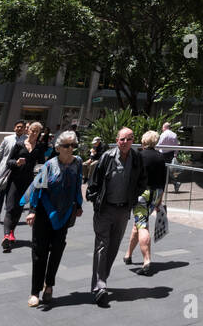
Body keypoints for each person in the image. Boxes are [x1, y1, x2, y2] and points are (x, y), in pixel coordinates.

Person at [24, 131, 83, 308]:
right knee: (39, 252)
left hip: (64, 213)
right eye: (66, 145)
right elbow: (37, 189)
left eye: (73, 145)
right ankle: (35, 291)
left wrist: (78, 205)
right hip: (44, 212)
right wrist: (32, 211)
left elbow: (78, 184)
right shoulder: (49, 164)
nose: (70, 149)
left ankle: (49, 285)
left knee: (57, 250)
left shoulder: (77, 163)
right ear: (58, 148)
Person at [86, 127, 143, 305]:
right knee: (102, 246)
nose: (125, 142)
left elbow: (142, 180)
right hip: (105, 209)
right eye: (122, 139)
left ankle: (102, 278)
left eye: (128, 139)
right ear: (116, 140)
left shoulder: (136, 158)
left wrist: (133, 199)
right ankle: (99, 286)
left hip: (123, 210)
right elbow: (94, 182)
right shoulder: (107, 157)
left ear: (133, 140)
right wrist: (94, 200)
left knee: (113, 247)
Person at [123, 130, 168, 276]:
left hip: (142, 194)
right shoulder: (161, 157)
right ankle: (128, 255)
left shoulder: (139, 156)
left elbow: (132, 176)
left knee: (142, 226)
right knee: (139, 224)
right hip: (156, 194)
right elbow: (163, 179)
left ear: (143, 141)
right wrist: (160, 198)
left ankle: (147, 260)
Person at [2, 123, 43, 252]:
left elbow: (41, 165)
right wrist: (17, 163)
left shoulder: (40, 147)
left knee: (19, 208)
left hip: (29, 182)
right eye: (33, 130)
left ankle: (11, 232)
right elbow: (9, 162)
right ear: (28, 130)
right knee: (10, 207)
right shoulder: (19, 145)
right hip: (15, 180)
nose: (34, 133)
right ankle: (7, 235)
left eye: (37, 132)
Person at [0, 122, 28, 224]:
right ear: (14, 128)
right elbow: (0, 154)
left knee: (12, 195)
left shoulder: (27, 140)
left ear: (25, 129)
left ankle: (9, 216)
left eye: (22, 127)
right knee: (0, 194)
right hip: (5, 170)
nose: (20, 128)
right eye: (18, 127)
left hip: (18, 171)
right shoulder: (7, 139)